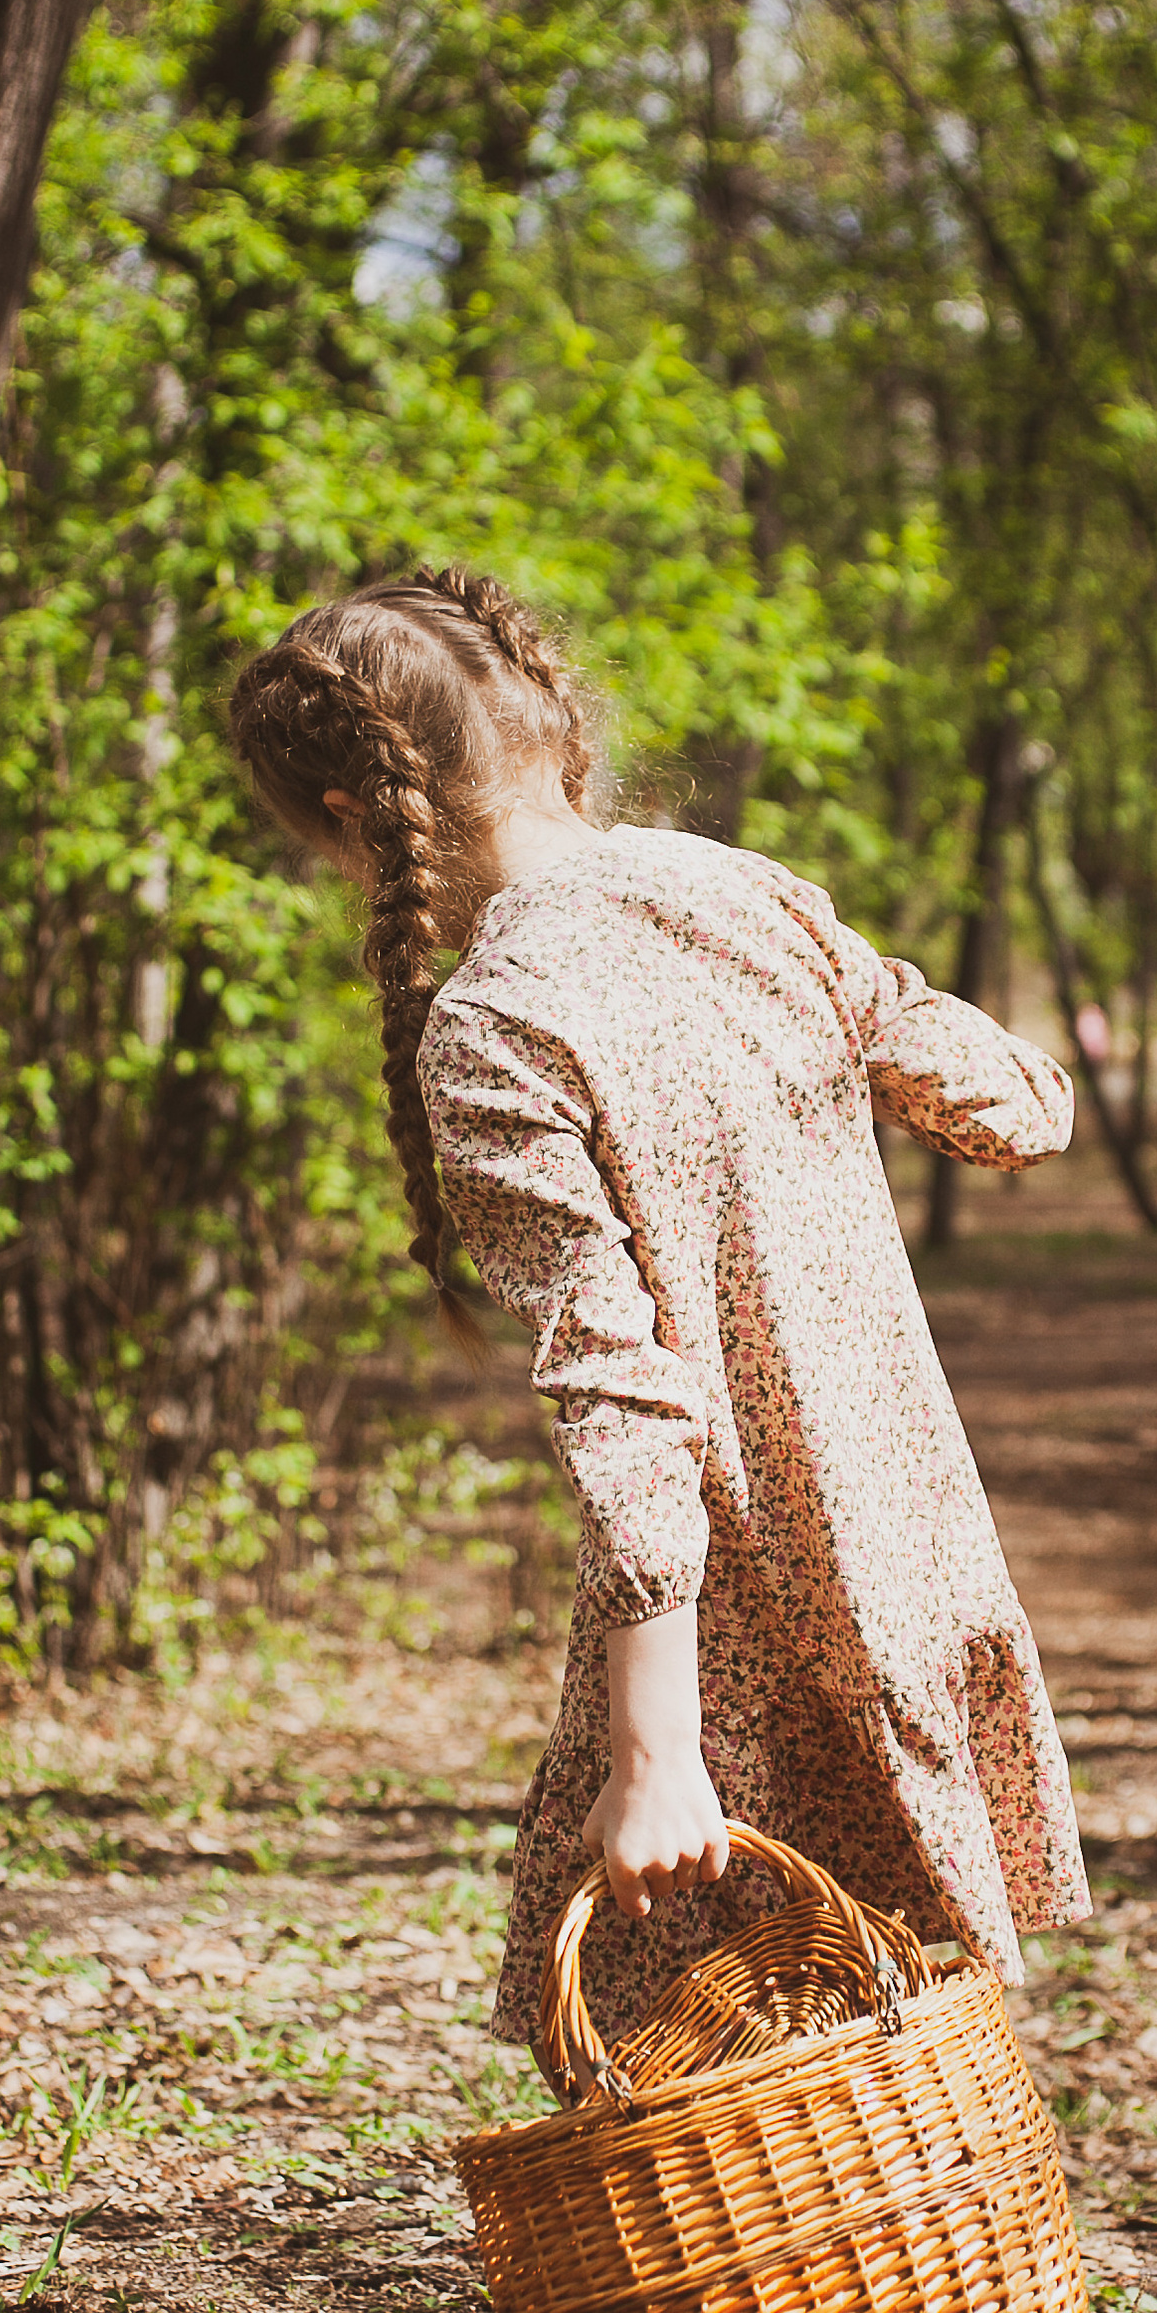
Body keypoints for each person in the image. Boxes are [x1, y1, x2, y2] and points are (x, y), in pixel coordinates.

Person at [227, 564, 1091, 2056]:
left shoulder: (498, 1023)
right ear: (545, 719)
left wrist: (656, 1750)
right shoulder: (739, 893)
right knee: (875, 2045)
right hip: (911, 1556)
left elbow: (624, 1402)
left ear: (353, 820)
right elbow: (1019, 1109)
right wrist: (872, 1010)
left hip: (740, 1616)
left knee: (680, 2072)